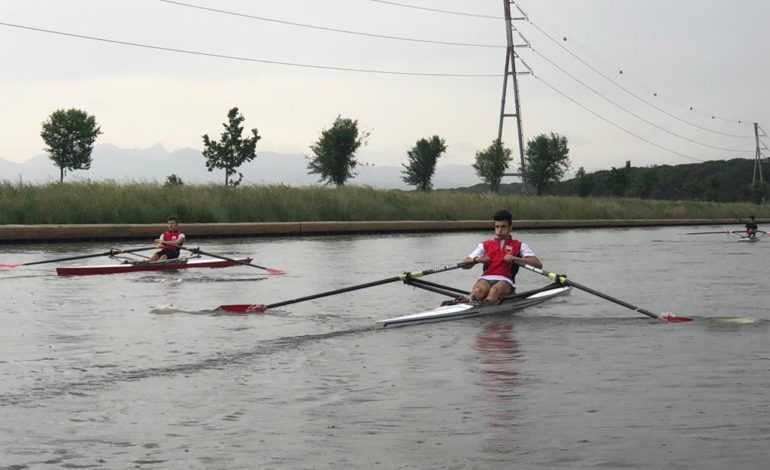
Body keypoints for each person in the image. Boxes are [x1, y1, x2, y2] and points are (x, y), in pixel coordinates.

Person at [463, 209, 542, 304]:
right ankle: (474, 301)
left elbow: (538, 264)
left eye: (503, 227)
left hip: (506, 281)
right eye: (497, 227)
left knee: (494, 291)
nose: (499, 230)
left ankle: (484, 307)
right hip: (486, 278)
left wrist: (515, 258)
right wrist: (477, 259)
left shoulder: (520, 245)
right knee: (477, 291)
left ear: (510, 227)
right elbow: (465, 264)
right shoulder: (485, 245)